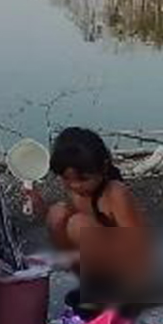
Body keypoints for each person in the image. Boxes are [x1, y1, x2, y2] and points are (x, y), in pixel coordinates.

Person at [37, 127, 151, 306]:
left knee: (78, 224)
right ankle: (88, 284)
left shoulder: (115, 193)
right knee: (56, 214)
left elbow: (138, 246)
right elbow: (58, 227)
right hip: (93, 265)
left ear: (103, 168)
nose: (75, 186)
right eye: (67, 179)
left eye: (83, 179)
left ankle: (109, 291)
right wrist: (37, 203)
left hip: (124, 267)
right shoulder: (75, 191)